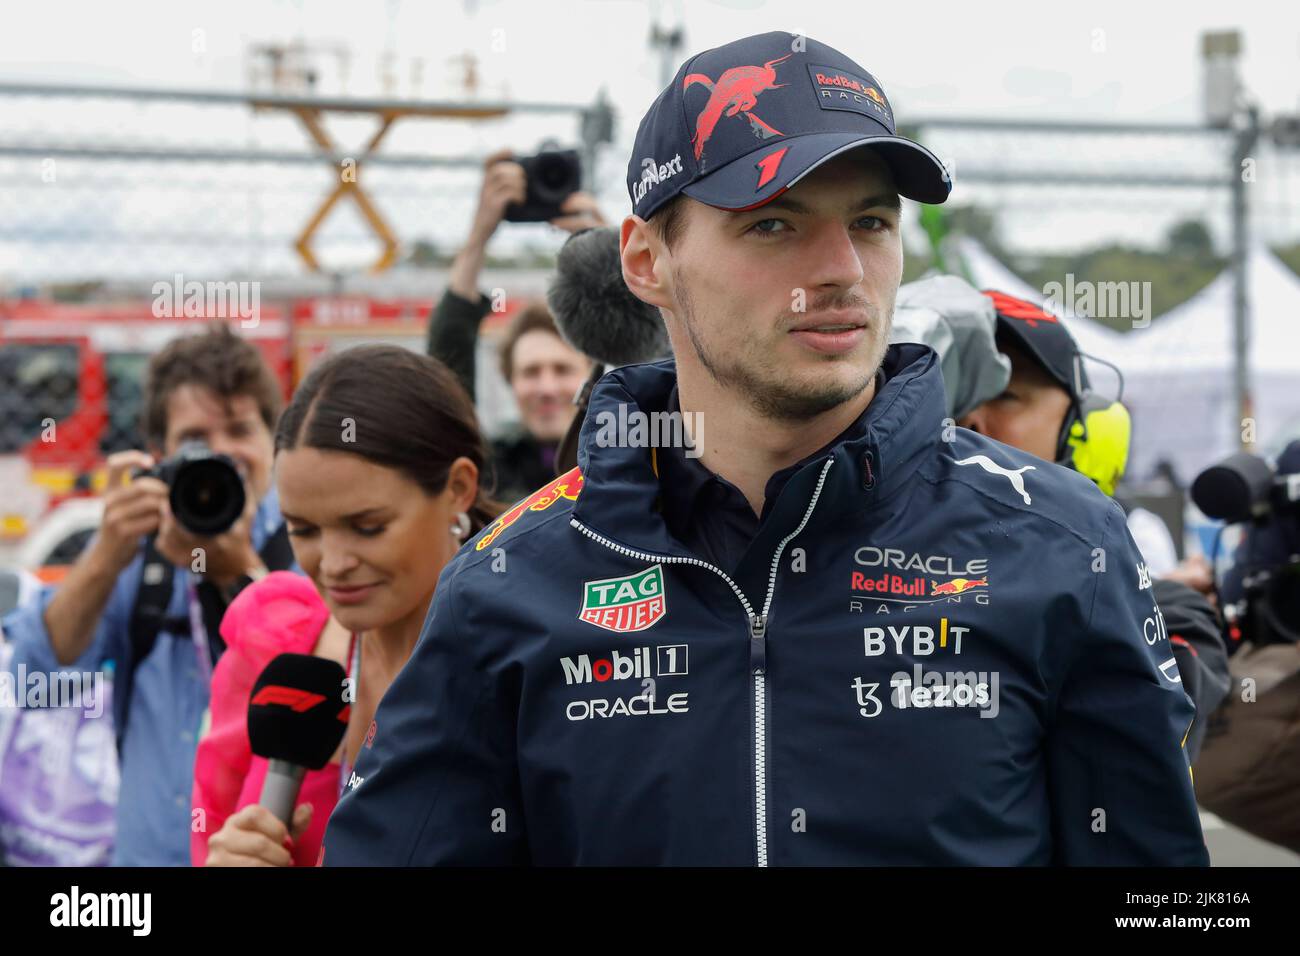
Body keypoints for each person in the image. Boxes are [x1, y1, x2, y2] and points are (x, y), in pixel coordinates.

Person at [322, 31, 1207, 866]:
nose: (843, 271)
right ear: (645, 261)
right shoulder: (508, 582)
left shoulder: (1058, 543)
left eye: (870, 223)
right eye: (774, 224)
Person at [193, 347, 500, 866]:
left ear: (457, 488)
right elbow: (209, 828)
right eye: (304, 530)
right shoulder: (274, 638)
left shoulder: (523, 657)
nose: (333, 564)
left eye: (367, 527)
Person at [0, 323, 290, 866]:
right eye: (197, 440)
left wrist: (245, 576)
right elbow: (37, 682)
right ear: (159, 455)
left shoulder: (303, 546)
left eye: (239, 431)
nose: (222, 455)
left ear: (272, 441)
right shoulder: (141, 558)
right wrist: (108, 552)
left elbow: (329, 694)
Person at [957, 290, 1230, 759]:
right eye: (947, 391)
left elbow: (1153, 733)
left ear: (1083, 429)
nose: (968, 418)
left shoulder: (1149, 578)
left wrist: (1134, 598)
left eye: (1002, 394)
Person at [427, 147, 597, 502]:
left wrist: (610, 254)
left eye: (562, 369)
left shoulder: (632, 459)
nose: (547, 388)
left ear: (593, 374)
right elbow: (446, 371)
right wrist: (478, 236)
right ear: (510, 382)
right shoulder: (489, 472)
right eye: (531, 372)